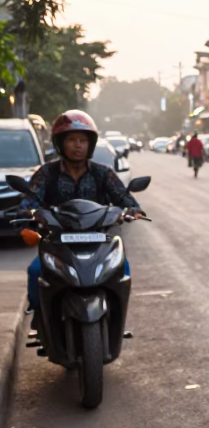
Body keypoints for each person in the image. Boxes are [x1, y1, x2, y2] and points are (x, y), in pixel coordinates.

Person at [21, 111, 144, 312]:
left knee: (123, 269)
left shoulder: (103, 173)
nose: (78, 145)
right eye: (72, 140)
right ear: (61, 143)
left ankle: (115, 317)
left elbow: (124, 198)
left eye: (82, 140)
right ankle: (40, 317)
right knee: (36, 272)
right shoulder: (46, 173)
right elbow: (30, 200)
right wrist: (28, 215)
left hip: (98, 242)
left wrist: (132, 210)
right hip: (57, 242)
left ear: (90, 144)